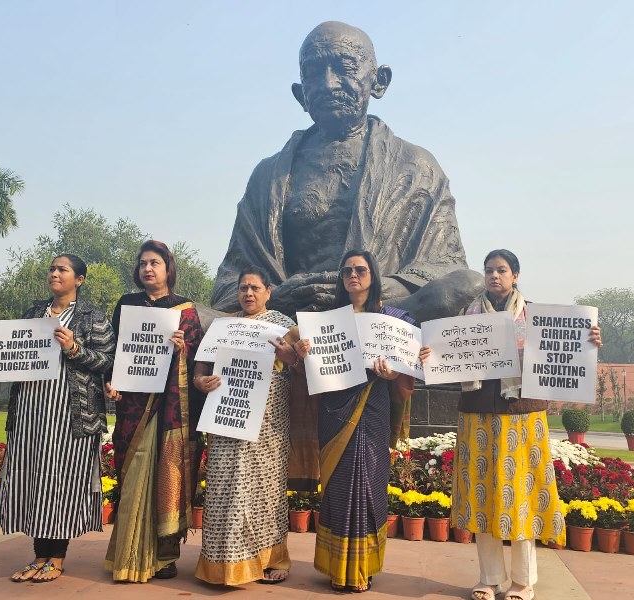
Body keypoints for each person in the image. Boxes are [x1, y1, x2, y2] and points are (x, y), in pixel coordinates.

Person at [211, 21, 482, 322]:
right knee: (191, 315)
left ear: (379, 82)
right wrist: (277, 295)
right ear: (301, 94)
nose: (328, 84)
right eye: (314, 73)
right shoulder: (268, 177)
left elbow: (447, 266)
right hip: (290, 315)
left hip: (378, 311)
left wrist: (368, 289)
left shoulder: (417, 166)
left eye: (345, 67)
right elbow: (229, 283)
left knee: (469, 285)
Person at [419, 249, 602, 600]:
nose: (494, 276)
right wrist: (429, 355)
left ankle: (523, 580)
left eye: (501, 270)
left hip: (523, 415)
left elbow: (565, 353)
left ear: (515, 275)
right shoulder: (466, 317)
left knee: (521, 496)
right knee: (483, 495)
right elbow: (447, 357)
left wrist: (589, 341)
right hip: (477, 415)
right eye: (489, 270)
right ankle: (489, 579)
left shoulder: (537, 317)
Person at [0, 254, 115, 583]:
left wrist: (74, 348)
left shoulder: (93, 317)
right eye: (52, 269)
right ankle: (39, 556)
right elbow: (10, 356)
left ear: (79, 280)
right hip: (30, 414)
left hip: (72, 417)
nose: (54, 273)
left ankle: (56, 558)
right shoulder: (33, 314)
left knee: (60, 483)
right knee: (33, 481)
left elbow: (108, 361)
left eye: (63, 269)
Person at [293, 249, 416, 593]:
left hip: (373, 407)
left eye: (360, 270)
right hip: (334, 410)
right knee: (338, 486)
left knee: (368, 484)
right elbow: (312, 370)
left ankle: (362, 567)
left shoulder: (392, 320)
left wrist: (394, 373)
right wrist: (304, 356)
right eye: (347, 270)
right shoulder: (328, 321)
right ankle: (337, 567)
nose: (353, 275)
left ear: (373, 276)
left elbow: (406, 369)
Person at [193, 267, 302, 586]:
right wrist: (200, 381)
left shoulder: (284, 326)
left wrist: (290, 357)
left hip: (268, 425)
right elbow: (201, 366)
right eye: (243, 288)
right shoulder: (224, 326)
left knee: (264, 491)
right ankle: (222, 563)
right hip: (227, 418)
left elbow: (302, 369)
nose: (248, 293)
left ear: (269, 291)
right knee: (223, 488)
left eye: (255, 288)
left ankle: (271, 559)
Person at [103, 240, 204, 582]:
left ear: (167, 268)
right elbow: (116, 351)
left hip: (173, 411)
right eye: (143, 263)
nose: (147, 269)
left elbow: (200, 359)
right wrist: (111, 381)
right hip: (134, 407)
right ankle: (128, 553)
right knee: (134, 475)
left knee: (169, 477)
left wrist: (182, 349)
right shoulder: (127, 305)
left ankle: (166, 556)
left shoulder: (185, 310)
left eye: (154, 263)